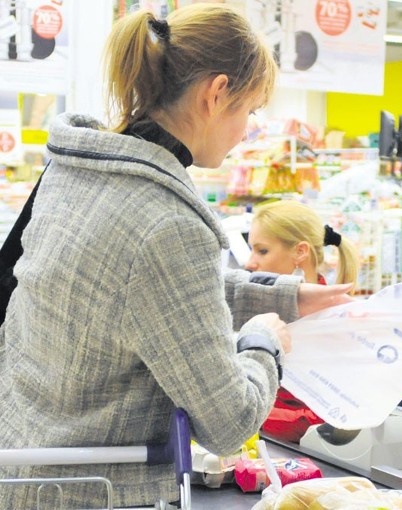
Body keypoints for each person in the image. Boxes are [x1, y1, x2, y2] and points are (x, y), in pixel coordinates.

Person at [0, 5, 351, 509]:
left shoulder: (81, 169)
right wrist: (262, 343)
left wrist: (291, 296)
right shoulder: (166, 223)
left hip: (23, 462)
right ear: (216, 93)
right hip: (89, 491)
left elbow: (142, 293)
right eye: (250, 111)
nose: (248, 130)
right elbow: (228, 423)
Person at [245, 199, 359, 442]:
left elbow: (328, 416)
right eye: (251, 249)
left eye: (262, 250)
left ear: (300, 252)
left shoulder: (333, 319)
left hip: (305, 461)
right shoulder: (259, 308)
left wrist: (249, 416)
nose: (249, 262)